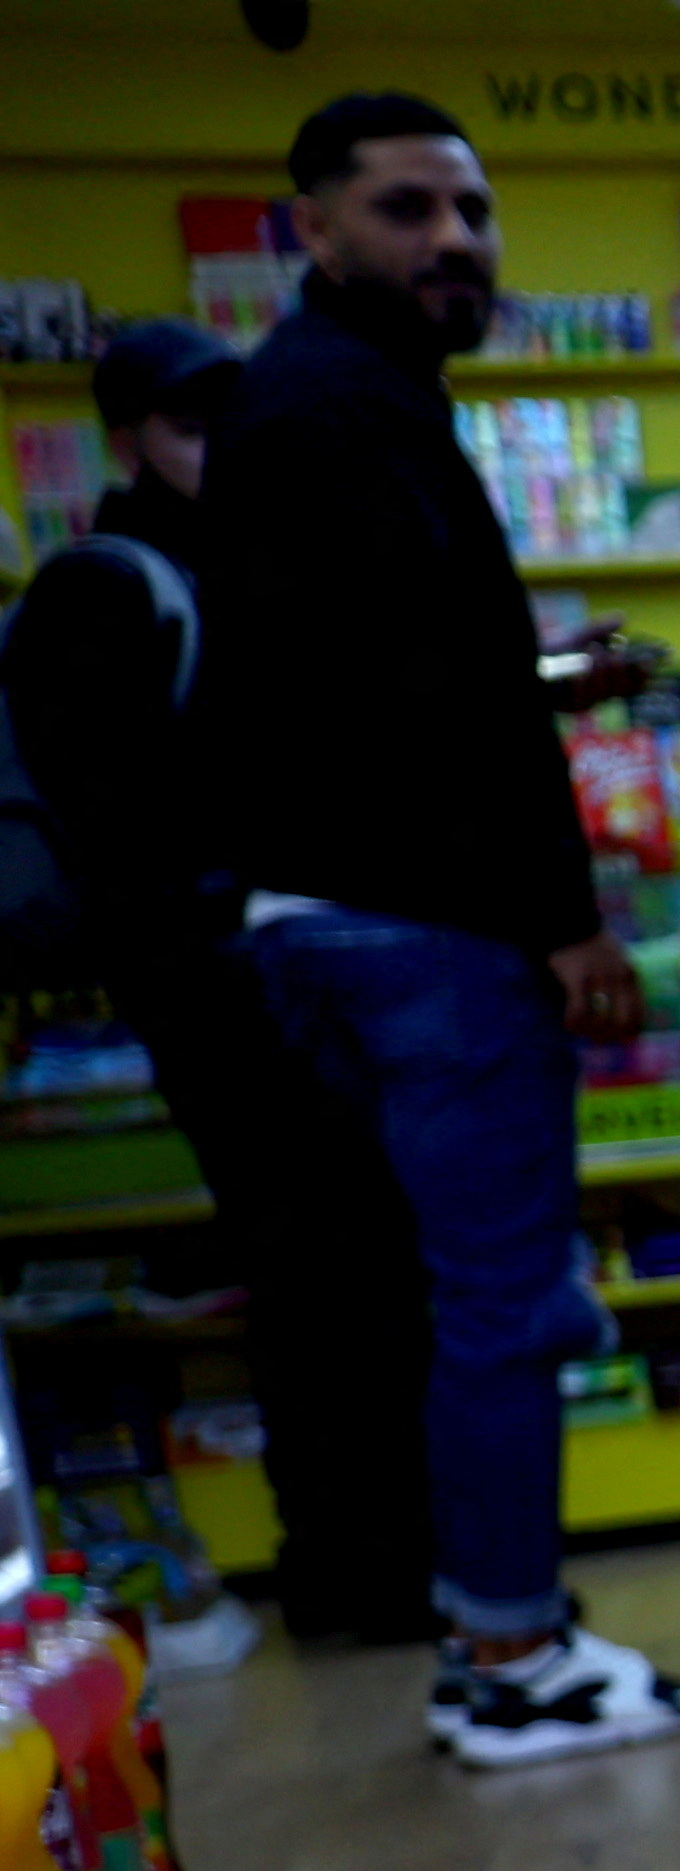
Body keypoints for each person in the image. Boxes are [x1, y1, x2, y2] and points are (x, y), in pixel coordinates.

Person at [202, 92, 680, 1764]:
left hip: (339, 922)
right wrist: (565, 919)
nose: (453, 243)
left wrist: (545, 674)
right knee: (505, 1299)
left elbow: (365, 680)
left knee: (466, 1297)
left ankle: (499, 1636)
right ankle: (514, 1656)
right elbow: (434, 710)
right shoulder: (340, 410)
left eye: (473, 213)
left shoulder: (326, 407)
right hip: (424, 931)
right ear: (315, 230)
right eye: (407, 209)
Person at [0, 317, 439, 1648]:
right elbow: (122, 825)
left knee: (355, 1265)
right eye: (194, 429)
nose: (224, 454)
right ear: (131, 436)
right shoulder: (110, 584)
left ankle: (385, 1558)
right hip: (223, 990)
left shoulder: (236, 565)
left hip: (287, 971)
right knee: (318, 1268)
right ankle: (354, 1572)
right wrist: (231, 921)